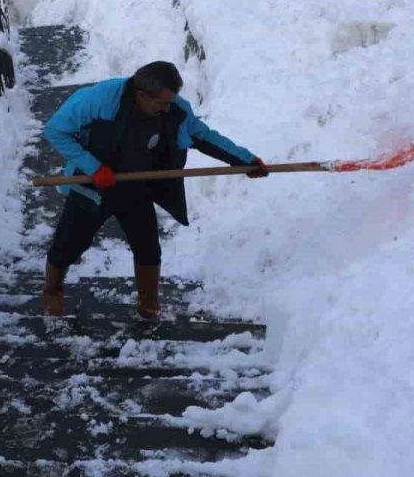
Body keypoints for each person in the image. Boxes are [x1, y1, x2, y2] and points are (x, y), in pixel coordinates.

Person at [41, 61, 268, 320]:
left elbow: (204, 137)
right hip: (91, 188)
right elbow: (55, 130)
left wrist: (244, 160)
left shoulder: (176, 112)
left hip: (137, 189)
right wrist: (94, 168)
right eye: (162, 103)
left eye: (171, 101)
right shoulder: (100, 100)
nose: (167, 108)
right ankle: (52, 292)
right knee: (68, 245)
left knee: (148, 248)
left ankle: (148, 305)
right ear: (141, 95)